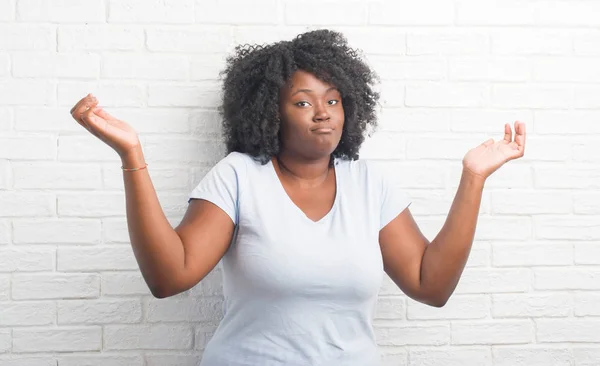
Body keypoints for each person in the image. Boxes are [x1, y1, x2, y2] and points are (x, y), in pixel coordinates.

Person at [69, 29, 526, 366]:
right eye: (303, 102)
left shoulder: (370, 184)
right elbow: (169, 276)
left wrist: (473, 178)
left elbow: (432, 285)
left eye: (333, 100)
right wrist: (132, 155)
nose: (323, 114)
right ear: (271, 112)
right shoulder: (239, 177)